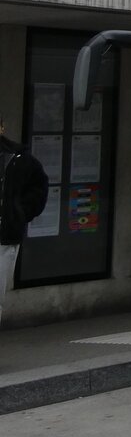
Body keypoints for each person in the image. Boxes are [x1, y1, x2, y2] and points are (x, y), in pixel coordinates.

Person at [1, 116, 49, 326]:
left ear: (2, 127)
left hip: (4, 237)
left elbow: (38, 187)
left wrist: (19, 213)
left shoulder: (18, 158)